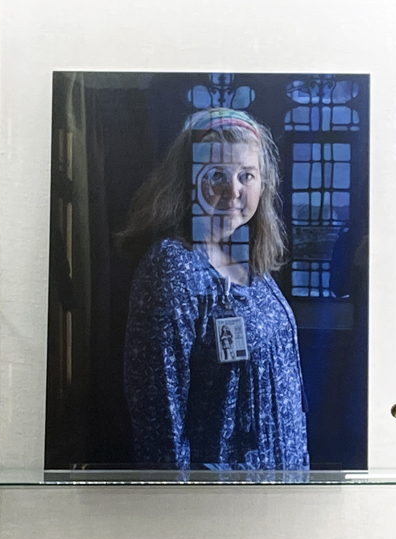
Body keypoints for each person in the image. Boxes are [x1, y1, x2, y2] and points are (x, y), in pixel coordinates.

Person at [121, 110, 309, 472]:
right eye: (217, 175)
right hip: (220, 505)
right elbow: (160, 417)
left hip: (281, 492)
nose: (234, 190)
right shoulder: (174, 267)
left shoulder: (249, 261)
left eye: (246, 175)